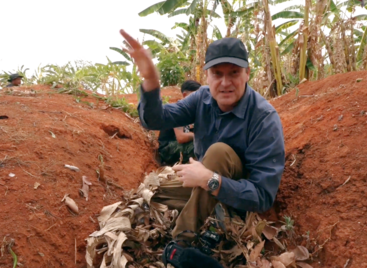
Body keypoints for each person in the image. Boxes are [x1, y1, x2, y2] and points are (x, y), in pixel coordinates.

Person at [120, 30, 285, 239]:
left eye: (234, 72)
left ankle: (183, 241)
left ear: (247, 74)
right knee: (154, 195)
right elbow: (155, 120)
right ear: (206, 75)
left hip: (239, 196)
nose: (225, 83)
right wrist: (150, 79)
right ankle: (213, 213)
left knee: (218, 152)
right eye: (217, 73)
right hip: (204, 183)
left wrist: (210, 180)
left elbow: (262, 196)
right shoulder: (201, 98)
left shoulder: (264, 118)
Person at [158, 80, 201, 166]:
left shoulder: (192, 110)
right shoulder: (178, 110)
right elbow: (181, 137)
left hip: (178, 145)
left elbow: (188, 130)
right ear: (185, 95)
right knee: (200, 145)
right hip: (167, 149)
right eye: (195, 96)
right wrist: (199, 136)